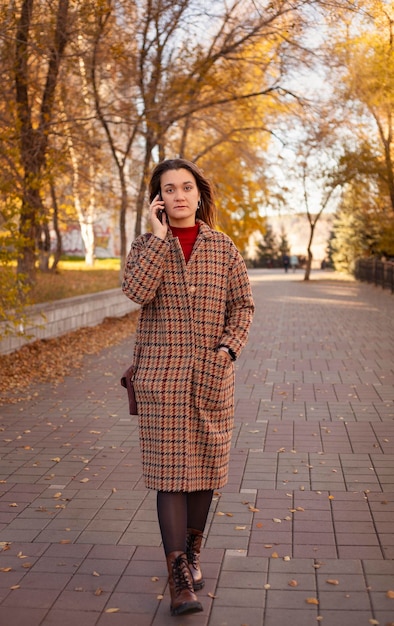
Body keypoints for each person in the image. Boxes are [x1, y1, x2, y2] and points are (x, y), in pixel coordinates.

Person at [122, 158, 254, 616]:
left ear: (199, 194)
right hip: (162, 379)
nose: (179, 195)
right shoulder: (146, 245)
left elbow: (243, 306)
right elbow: (136, 292)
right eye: (169, 189)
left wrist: (227, 351)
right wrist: (158, 239)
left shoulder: (223, 247)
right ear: (158, 200)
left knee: (205, 474)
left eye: (186, 187)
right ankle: (179, 575)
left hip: (212, 378)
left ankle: (194, 555)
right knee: (169, 476)